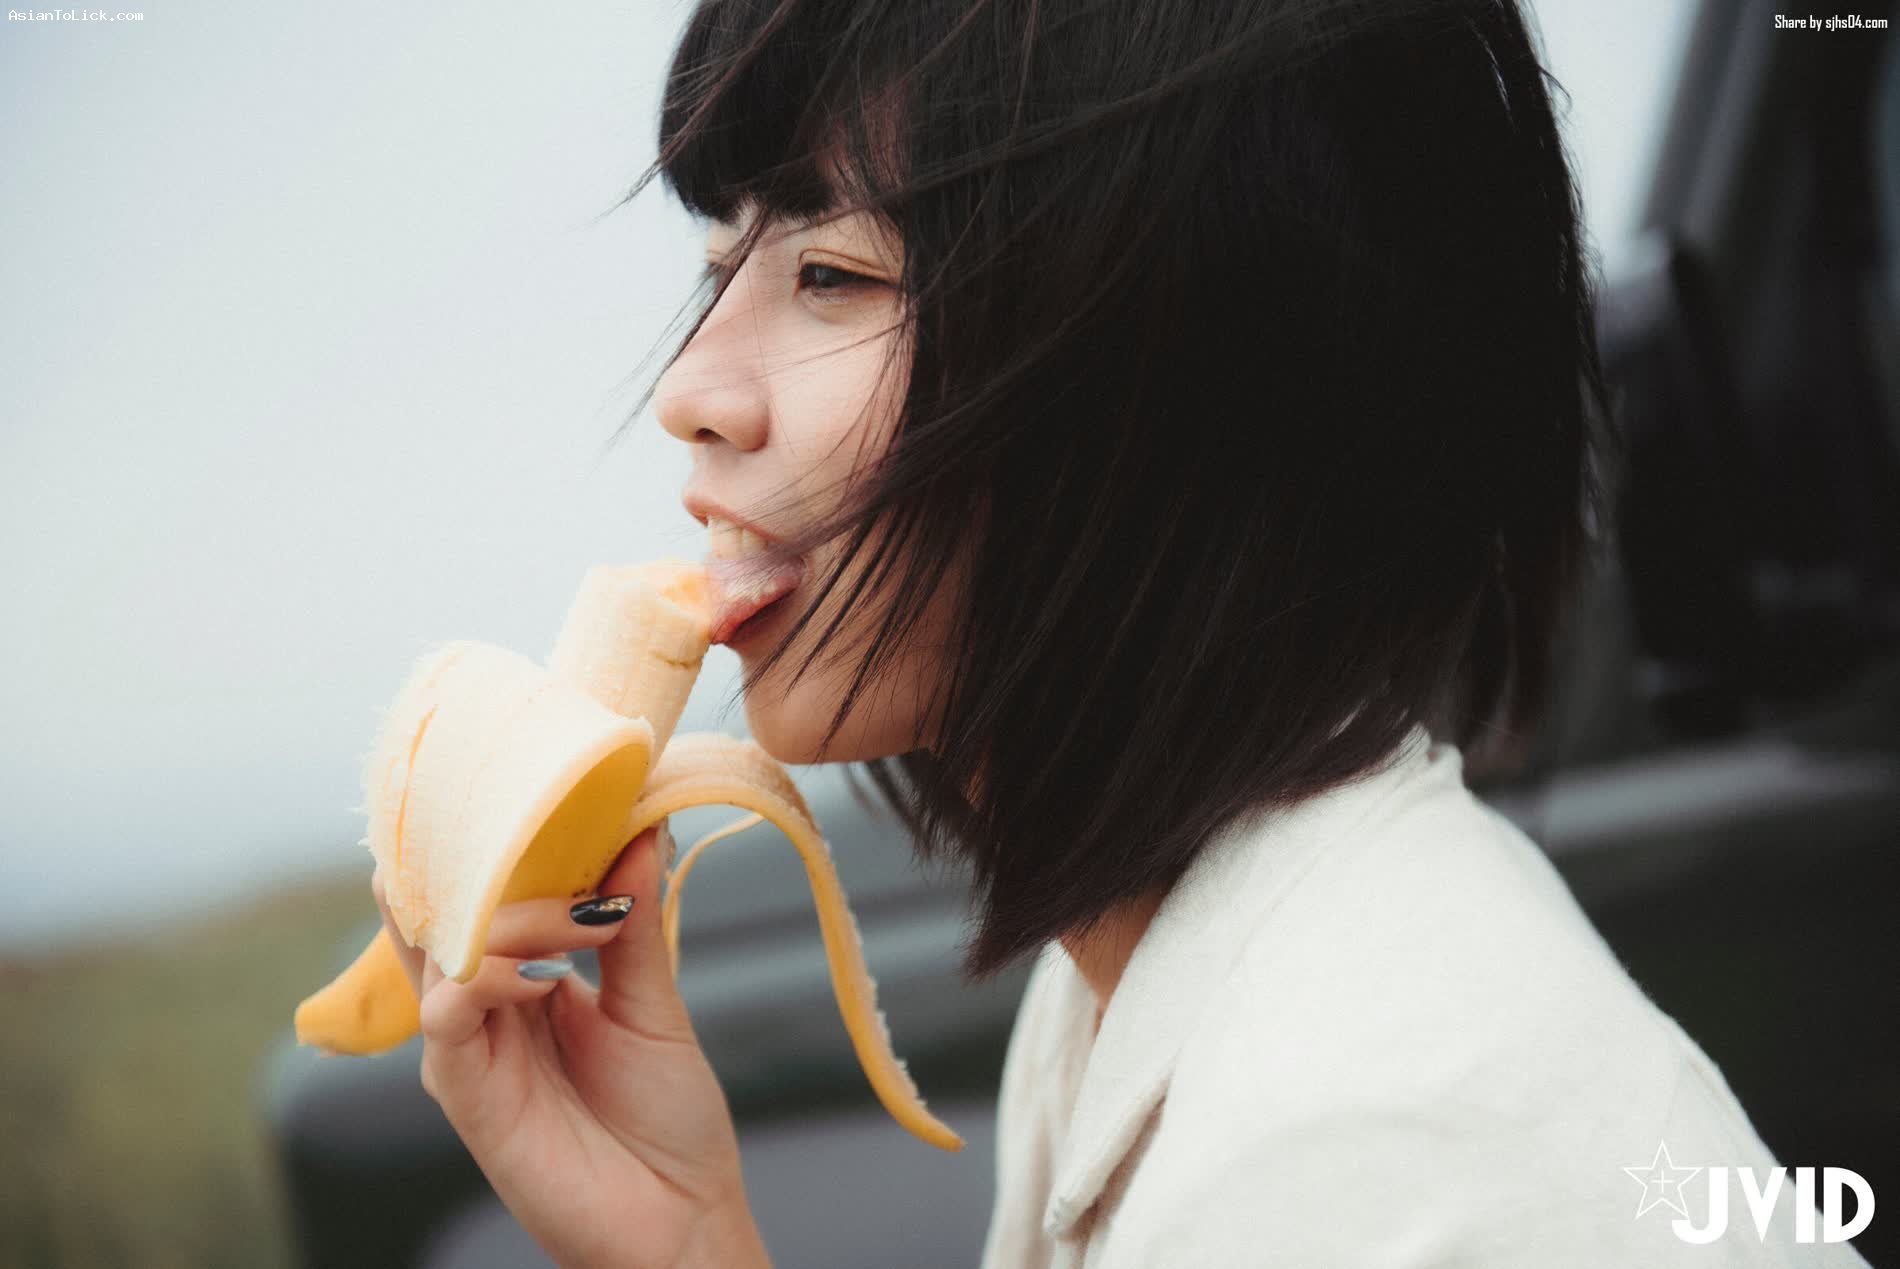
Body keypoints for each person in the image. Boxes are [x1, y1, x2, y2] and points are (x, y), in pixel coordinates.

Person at [372, 0, 1878, 1265]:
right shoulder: (1139, 975)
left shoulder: (1363, 1158)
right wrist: (691, 1247)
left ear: (1173, 367)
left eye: (830, 273)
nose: (689, 389)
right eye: (722, 272)